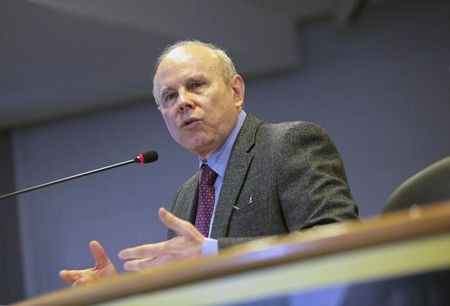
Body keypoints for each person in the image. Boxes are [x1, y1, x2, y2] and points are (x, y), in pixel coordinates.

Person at [59, 40, 358, 286]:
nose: (183, 102)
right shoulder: (185, 196)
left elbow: (337, 238)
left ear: (236, 91)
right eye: (169, 96)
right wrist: (116, 294)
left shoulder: (288, 143)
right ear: (163, 114)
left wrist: (211, 253)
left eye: (196, 85)